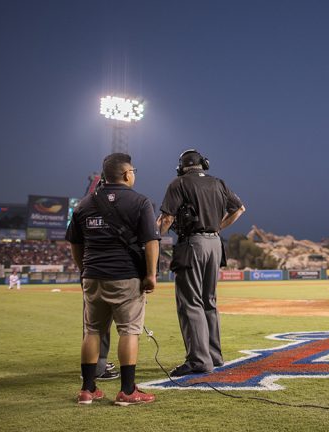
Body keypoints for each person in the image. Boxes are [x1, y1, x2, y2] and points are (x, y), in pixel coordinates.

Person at [66, 153, 159, 405]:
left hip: (92, 275)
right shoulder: (140, 201)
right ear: (127, 174)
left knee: (93, 330)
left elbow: (75, 243)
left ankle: (88, 390)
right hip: (126, 276)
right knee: (129, 331)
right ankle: (127, 391)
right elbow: (151, 241)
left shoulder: (84, 204)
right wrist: (150, 274)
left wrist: (84, 268)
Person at [158, 149, 245, 377]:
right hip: (215, 244)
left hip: (193, 245)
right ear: (203, 164)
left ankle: (198, 360)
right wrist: (218, 228)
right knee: (209, 301)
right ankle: (214, 356)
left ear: (182, 166)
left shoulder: (179, 183)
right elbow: (239, 209)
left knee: (190, 302)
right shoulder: (219, 182)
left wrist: (153, 239)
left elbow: (167, 218)